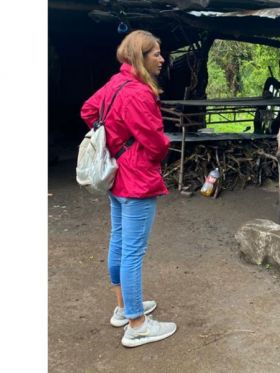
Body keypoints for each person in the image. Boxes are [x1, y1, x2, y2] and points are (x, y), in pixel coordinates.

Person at [80, 30, 176, 347]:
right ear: (140, 57)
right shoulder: (138, 93)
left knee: (119, 241)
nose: (162, 59)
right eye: (156, 53)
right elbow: (156, 141)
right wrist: (138, 149)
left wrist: (115, 140)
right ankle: (137, 324)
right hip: (136, 180)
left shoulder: (114, 83)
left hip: (116, 177)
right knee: (133, 252)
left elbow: (89, 111)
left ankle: (124, 307)